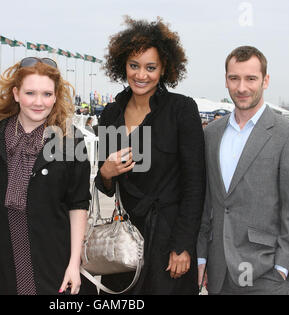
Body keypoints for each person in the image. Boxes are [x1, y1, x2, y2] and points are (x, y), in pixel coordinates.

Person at [95, 17, 206, 294]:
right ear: (123, 66)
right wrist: (106, 174)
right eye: (134, 66)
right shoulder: (111, 113)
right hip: (123, 243)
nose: (141, 75)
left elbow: (195, 185)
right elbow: (106, 186)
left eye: (150, 67)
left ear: (164, 68)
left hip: (169, 241)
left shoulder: (181, 110)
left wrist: (182, 245)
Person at [197, 46, 289, 295]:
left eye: (251, 78)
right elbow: (208, 202)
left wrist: (283, 266)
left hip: (267, 273)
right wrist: (202, 257)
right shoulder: (211, 134)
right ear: (226, 80)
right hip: (219, 273)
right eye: (234, 78)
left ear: (265, 80)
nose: (242, 88)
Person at [0, 57, 96, 295]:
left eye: (47, 94)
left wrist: (74, 263)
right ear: (15, 94)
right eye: (30, 93)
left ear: (56, 97)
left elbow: (78, 205)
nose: (39, 102)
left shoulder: (70, 141)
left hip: (52, 258)